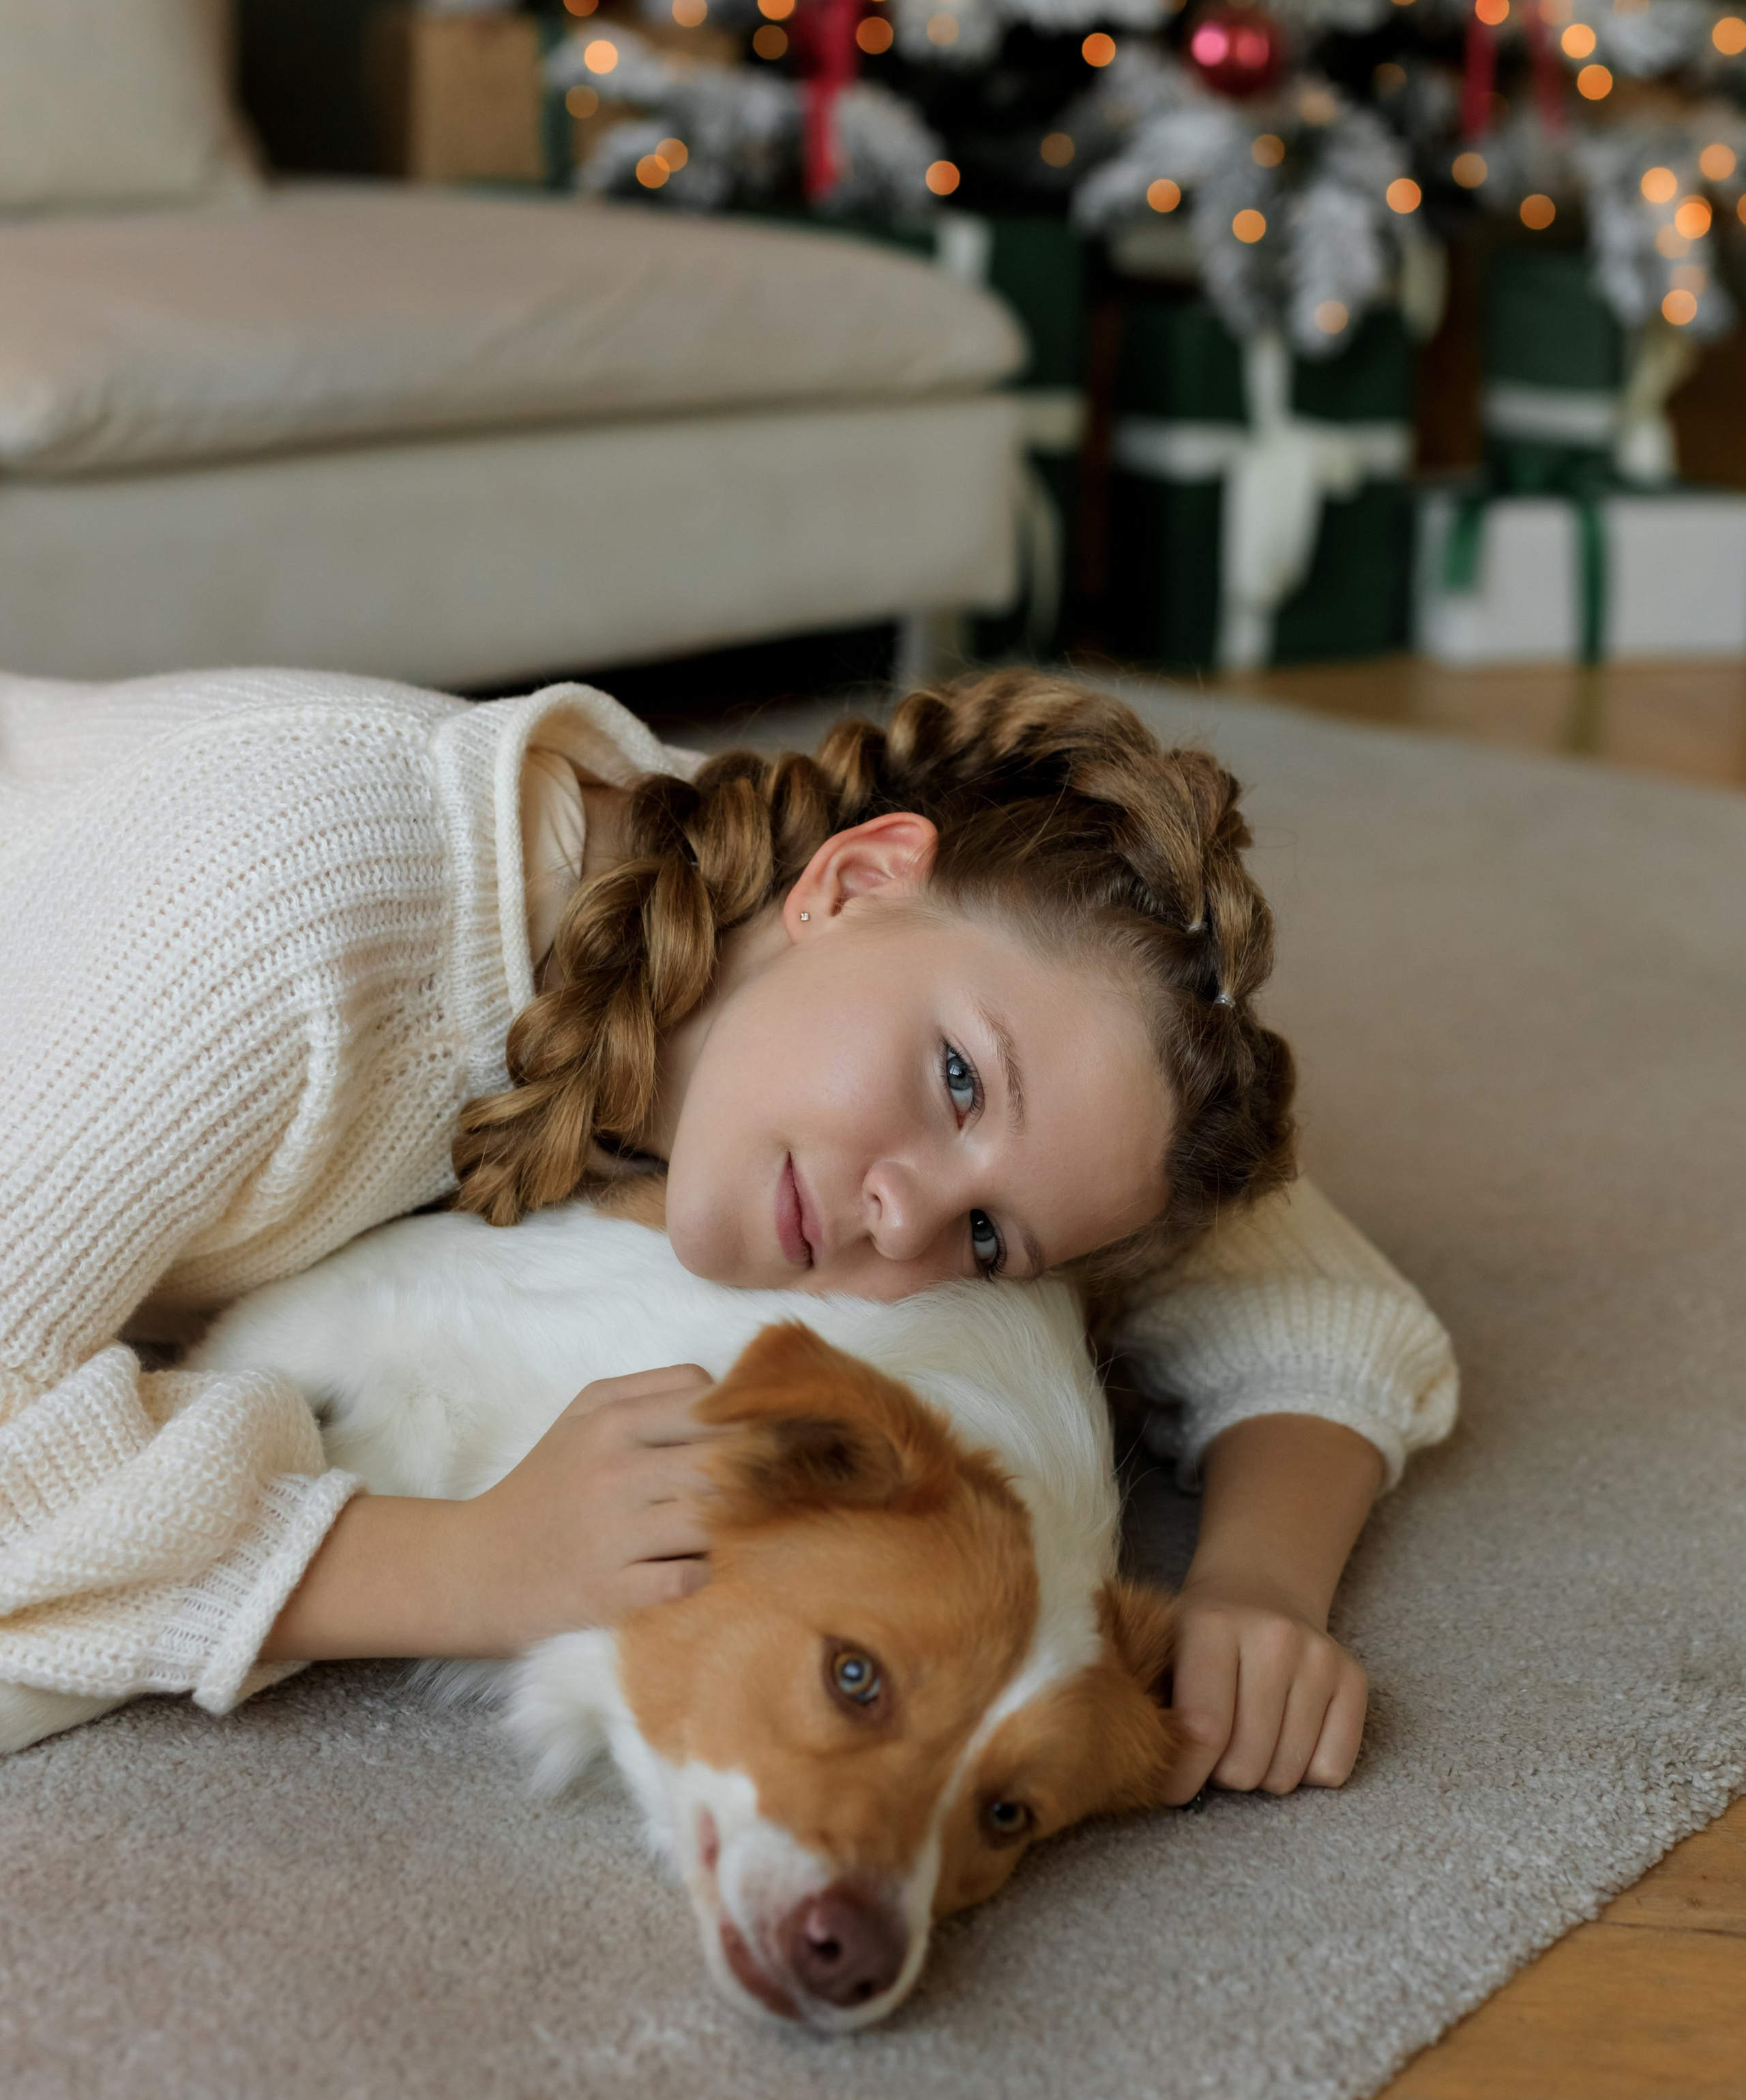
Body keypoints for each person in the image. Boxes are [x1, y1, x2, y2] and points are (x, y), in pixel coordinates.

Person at [0, 664, 1455, 1794]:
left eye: (989, 1242)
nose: (900, 1219)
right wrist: (463, 1564)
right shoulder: (292, 926)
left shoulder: (806, 947)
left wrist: (1253, 1589)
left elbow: (1311, 1295)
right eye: (954, 1080)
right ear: (852, 882)